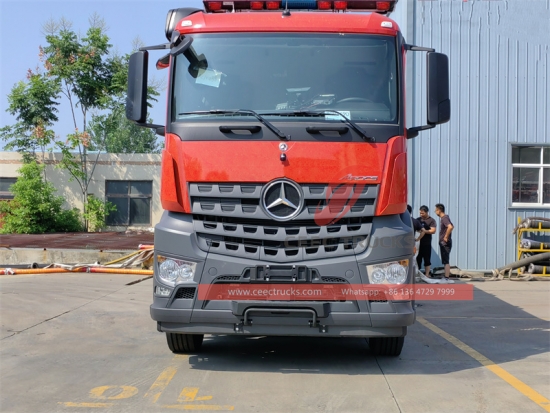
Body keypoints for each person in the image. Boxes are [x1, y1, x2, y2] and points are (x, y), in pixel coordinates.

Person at [435, 203, 454, 279]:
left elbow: (450, 227)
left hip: (445, 243)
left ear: (439, 210)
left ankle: (446, 278)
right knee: (445, 260)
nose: (435, 212)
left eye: (435, 210)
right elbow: (452, 226)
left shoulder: (444, 218)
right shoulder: (446, 217)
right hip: (445, 242)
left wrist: (446, 237)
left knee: (446, 261)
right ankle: (446, 276)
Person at [416, 205, 437, 277]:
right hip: (418, 243)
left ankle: (427, 274)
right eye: (420, 213)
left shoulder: (431, 220)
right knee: (418, 259)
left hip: (426, 243)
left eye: (423, 213)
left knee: (427, 259)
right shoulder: (418, 220)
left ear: (427, 212)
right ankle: (417, 273)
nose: (421, 214)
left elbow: (433, 230)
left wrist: (425, 231)